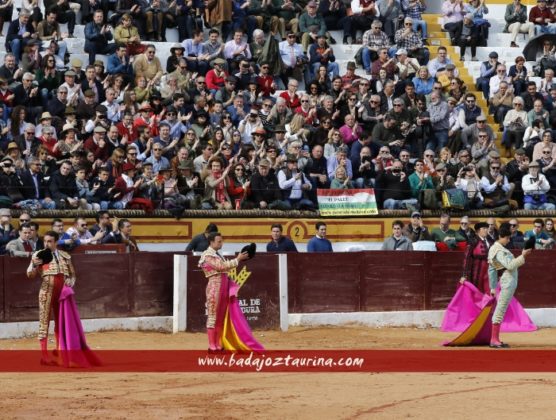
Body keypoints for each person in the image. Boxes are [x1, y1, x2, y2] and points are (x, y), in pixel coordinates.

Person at [27, 230, 100, 366]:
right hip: (46, 292)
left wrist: (71, 282)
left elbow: (72, 275)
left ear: (56, 242)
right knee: (44, 322)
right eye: (45, 241)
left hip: (62, 295)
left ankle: (62, 353)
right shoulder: (38, 255)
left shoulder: (65, 256)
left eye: (50, 241)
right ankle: (44, 355)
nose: (47, 244)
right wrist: (35, 265)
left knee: (61, 323)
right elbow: (29, 275)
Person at [199, 231, 263, 352]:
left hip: (223, 288)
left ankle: (218, 344)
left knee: (220, 318)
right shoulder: (207, 255)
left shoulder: (218, 255)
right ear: (211, 242)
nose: (221, 243)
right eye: (219, 241)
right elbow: (221, 267)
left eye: (221, 241)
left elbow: (225, 269)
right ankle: (212, 345)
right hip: (214, 289)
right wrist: (238, 259)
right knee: (213, 316)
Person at [488, 222, 532, 348]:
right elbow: (510, 265)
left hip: (506, 280)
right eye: (507, 238)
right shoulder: (499, 250)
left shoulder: (496, 249)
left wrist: (492, 287)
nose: (508, 241)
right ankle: (494, 340)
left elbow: (491, 270)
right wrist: (523, 255)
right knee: (501, 309)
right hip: (507, 281)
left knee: (501, 308)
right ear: (501, 237)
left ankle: (495, 339)